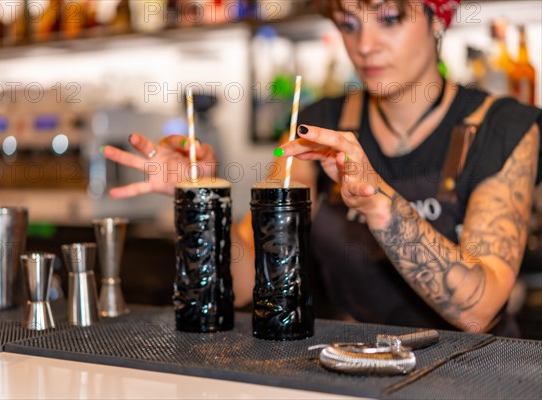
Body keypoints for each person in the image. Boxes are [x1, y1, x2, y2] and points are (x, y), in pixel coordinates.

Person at [102, 0, 542, 337]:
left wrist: (377, 201)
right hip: (351, 369)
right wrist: (202, 201)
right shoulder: (317, 124)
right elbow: (242, 284)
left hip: (473, 377)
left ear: (437, 18)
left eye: (389, 17)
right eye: (348, 23)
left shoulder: (506, 127)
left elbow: (478, 307)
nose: (365, 45)